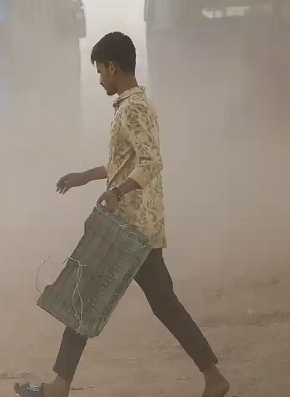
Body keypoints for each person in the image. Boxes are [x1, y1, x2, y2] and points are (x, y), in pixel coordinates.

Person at [14, 32, 230, 397]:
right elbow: (126, 162)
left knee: (85, 297)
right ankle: (213, 377)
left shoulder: (134, 109)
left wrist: (116, 191)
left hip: (127, 228)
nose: (99, 80)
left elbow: (150, 163)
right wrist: (87, 177)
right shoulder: (134, 106)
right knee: (162, 304)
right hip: (137, 228)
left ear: (113, 67)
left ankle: (59, 387)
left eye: (100, 72)